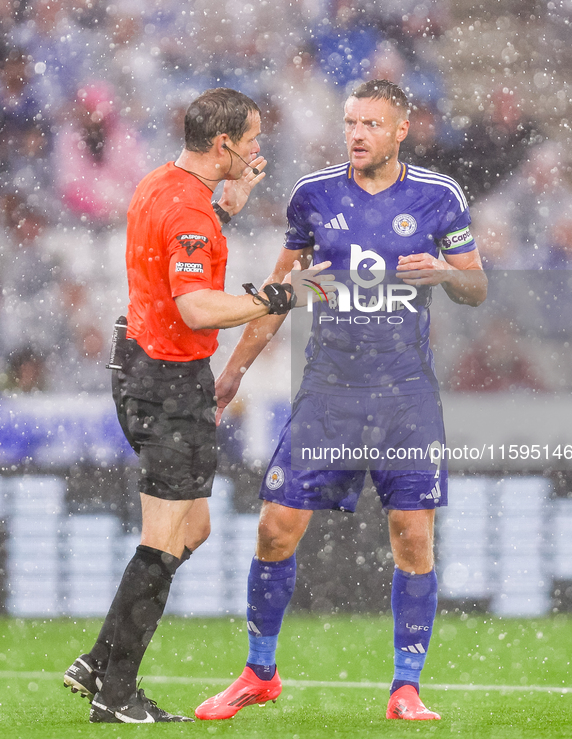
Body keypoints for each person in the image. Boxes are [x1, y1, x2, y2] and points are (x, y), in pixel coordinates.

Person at [195, 79, 487, 722]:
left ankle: (405, 688)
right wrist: (234, 372)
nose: (356, 134)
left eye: (371, 124)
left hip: (406, 396)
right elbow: (278, 292)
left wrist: (443, 272)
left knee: (413, 536)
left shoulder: (439, 197)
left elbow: (476, 288)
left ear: (401, 130)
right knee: (275, 529)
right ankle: (258, 672)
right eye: (351, 122)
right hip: (328, 392)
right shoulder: (314, 196)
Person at [63, 87, 331, 724]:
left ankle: (99, 660)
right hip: (169, 381)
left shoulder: (163, 183)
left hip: (136, 366)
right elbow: (194, 307)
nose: (259, 150)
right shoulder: (190, 212)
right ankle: (117, 695)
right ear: (224, 145)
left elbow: (175, 262)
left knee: (195, 527)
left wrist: (227, 209)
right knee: (166, 536)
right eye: (253, 140)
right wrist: (275, 300)